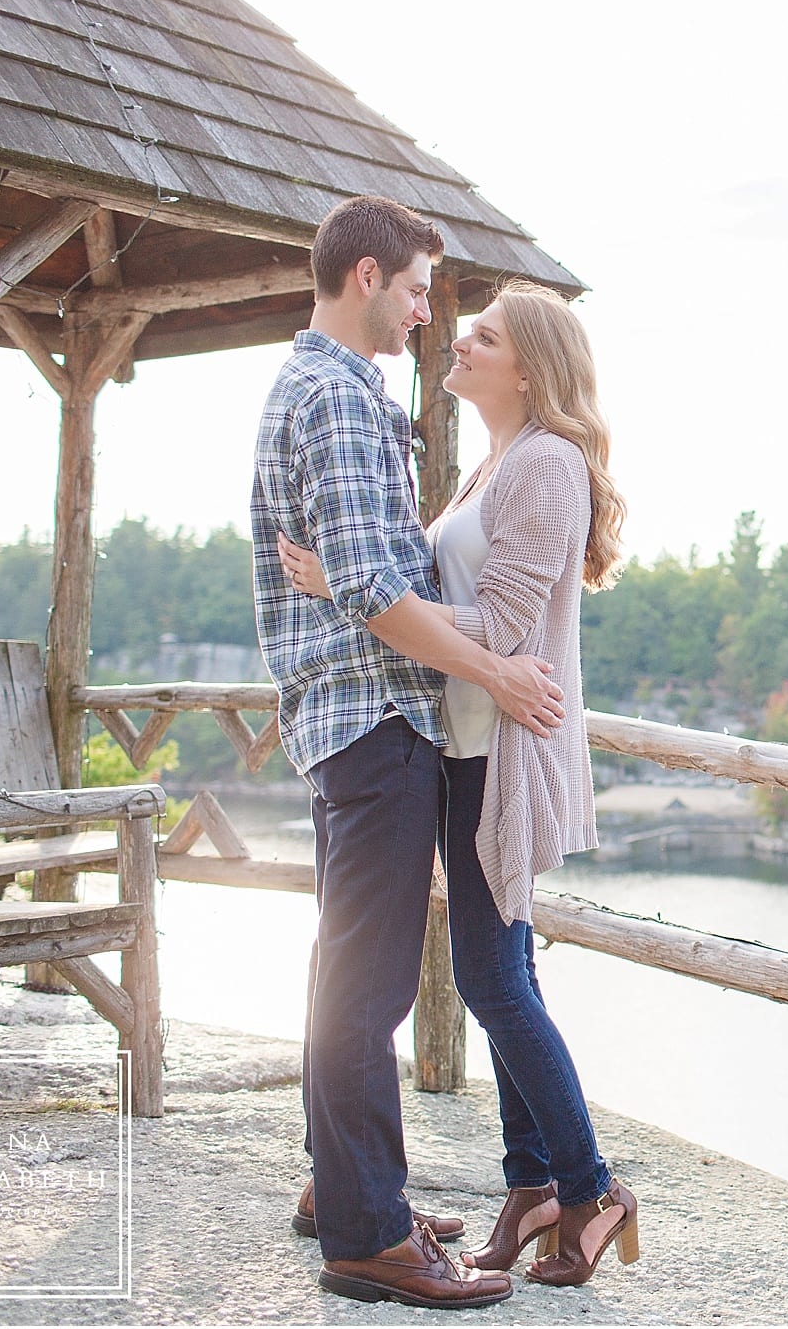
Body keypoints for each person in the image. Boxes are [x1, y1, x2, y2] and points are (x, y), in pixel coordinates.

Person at [277, 280, 639, 1289]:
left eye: (482, 336)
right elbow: (451, 604)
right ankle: (532, 1184)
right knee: (499, 971)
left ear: (528, 365)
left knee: (492, 978)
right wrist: (379, 599)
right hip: (463, 748)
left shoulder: (549, 466)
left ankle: (590, 1184)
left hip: (503, 758)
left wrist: (374, 606)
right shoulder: (493, 465)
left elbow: (508, 629)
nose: (458, 342)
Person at [251, 197, 566, 1310]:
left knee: (349, 968)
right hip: (376, 719)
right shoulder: (337, 396)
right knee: (368, 981)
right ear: (371, 275)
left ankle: (341, 1187)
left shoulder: (335, 390)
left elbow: (373, 576)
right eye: (423, 291)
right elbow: (386, 593)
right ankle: (369, 1237)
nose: (431, 316)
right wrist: (497, 672)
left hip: (361, 722)